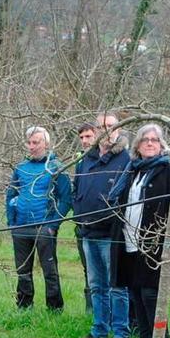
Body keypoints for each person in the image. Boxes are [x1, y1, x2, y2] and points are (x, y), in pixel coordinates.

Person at [108, 123, 170, 338]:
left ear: (161, 145)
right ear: (137, 144)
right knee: (135, 293)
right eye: (145, 139)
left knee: (151, 295)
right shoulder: (132, 170)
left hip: (154, 244)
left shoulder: (168, 171)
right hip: (129, 240)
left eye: (154, 140)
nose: (149, 143)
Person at [73, 113, 131, 338]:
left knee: (117, 286)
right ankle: (99, 330)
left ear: (118, 128)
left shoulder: (126, 160)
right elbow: (77, 189)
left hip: (112, 234)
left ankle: (120, 334)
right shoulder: (87, 159)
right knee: (96, 286)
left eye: (110, 126)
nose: (106, 130)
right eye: (101, 127)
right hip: (88, 232)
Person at [6, 126, 72, 311]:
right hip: (20, 227)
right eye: (30, 142)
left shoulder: (56, 167)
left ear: (46, 144)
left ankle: (54, 308)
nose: (32, 146)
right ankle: (24, 307)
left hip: (44, 228)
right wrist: (12, 222)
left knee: (49, 271)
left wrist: (53, 225)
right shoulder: (21, 168)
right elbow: (10, 194)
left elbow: (66, 199)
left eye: (37, 142)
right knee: (23, 271)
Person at [75, 122, 96, 313]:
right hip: (82, 225)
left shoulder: (102, 161)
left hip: (101, 227)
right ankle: (90, 310)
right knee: (86, 268)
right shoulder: (81, 162)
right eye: (81, 137)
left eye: (88, 136)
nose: (84, 141)